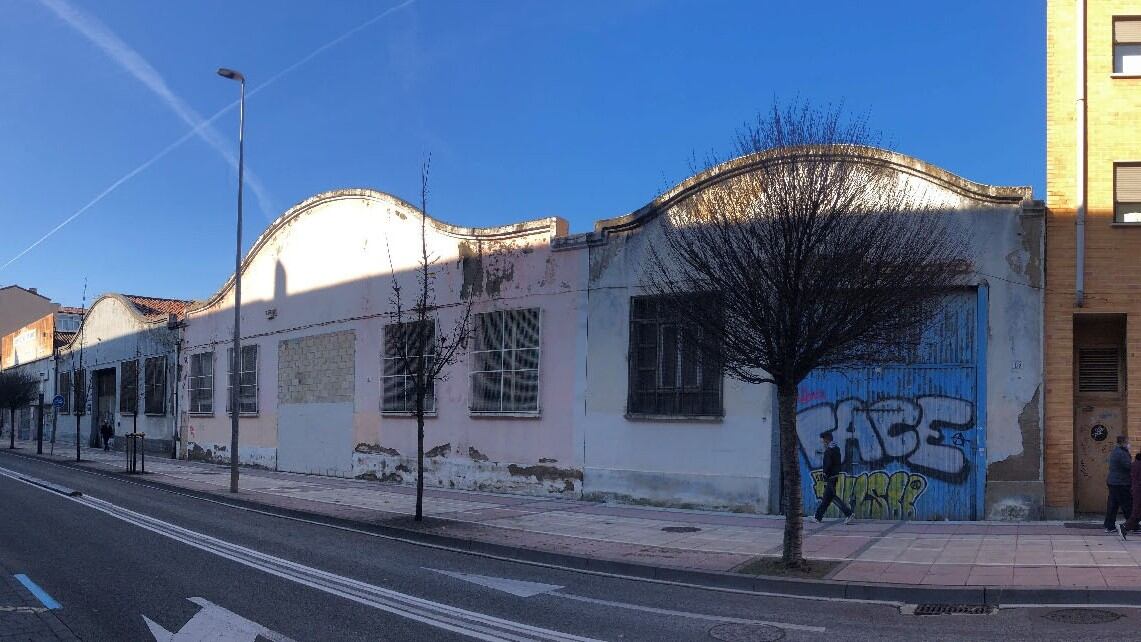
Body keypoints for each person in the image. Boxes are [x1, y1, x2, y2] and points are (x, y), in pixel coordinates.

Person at [814, 431, 855, 525]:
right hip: (835, 475)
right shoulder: (836, 449)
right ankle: (817, 517)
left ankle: (849, 513)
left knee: (832, 496)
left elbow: (827, 464)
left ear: (827, 440)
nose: (822, 442)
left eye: (823, 440)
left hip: (831, 477)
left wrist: (824, 473)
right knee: (827, 498)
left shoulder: (829, 451)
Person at [1105, 434, 1132, 537]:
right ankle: (1132, 525)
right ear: (1123, 442)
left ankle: (1109, 526)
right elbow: (1128, 466)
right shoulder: (1121, 453)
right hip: (1121, 482)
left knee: (1113, 505)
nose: (1129, 444)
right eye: (1127, 442)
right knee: (1127, 504)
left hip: (1113, 482)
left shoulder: (1116, 451)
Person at [1119, 453, 1141, 539]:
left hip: (1135, 490)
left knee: (1137, 512)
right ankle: (1124, 527)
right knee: (1136, 512)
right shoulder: (1138, 465)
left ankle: (1125, 527)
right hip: (1139, 491)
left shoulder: (1134, 464)